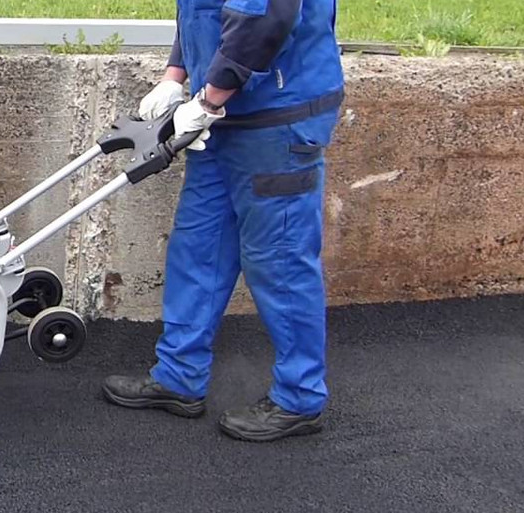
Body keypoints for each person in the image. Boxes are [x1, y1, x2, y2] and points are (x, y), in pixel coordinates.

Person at [102, 0, 346, 442]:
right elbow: (200, 10)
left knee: (280, 262)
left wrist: (210, 98)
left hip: (276, 121)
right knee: (198, 247)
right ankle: (179, 374)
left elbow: (265, 17)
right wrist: (174, 76)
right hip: (222, 117)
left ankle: (300, 397)